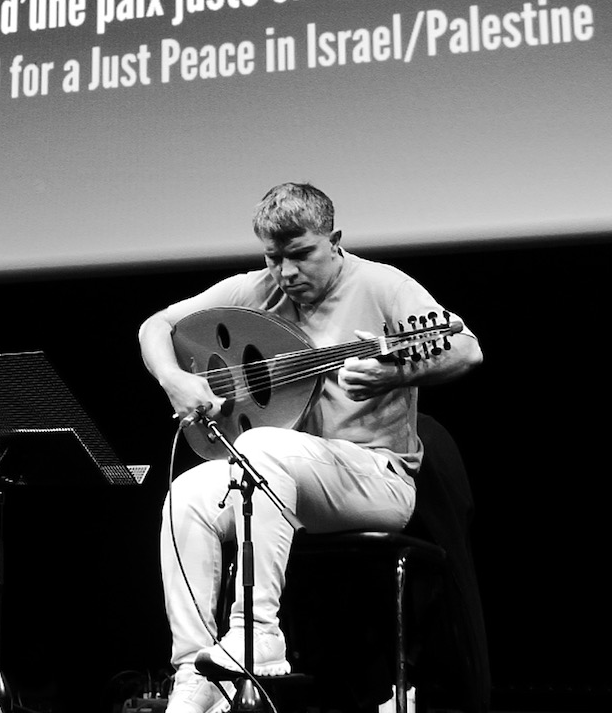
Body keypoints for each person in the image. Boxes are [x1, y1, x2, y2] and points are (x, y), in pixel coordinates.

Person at [138, 183, 483, 713]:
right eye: (273, 258)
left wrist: (396, 374)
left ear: (334, 240)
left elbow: (465, 348)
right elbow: (156, 325)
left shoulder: (382, 284)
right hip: (282, 481)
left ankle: (257, 632)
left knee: (259, 447)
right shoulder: (257, 290)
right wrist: (175, 380)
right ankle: (194, 670)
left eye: (301, 255)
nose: (286, 272)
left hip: (376, 478)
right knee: (186, 494)